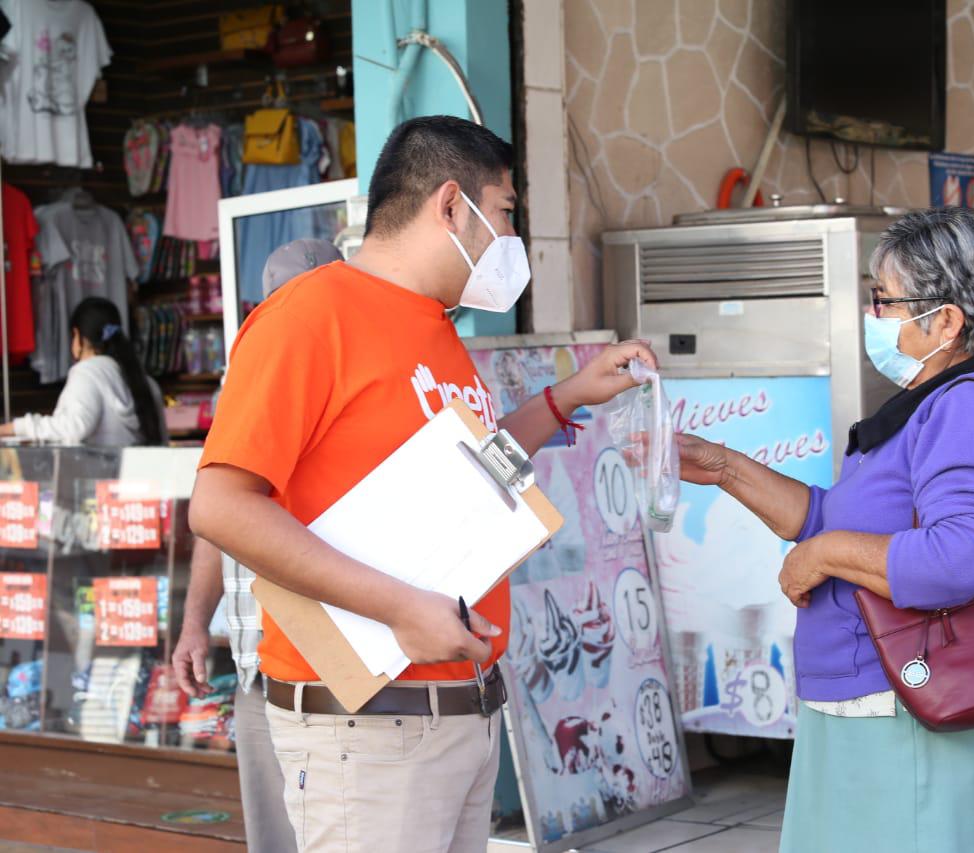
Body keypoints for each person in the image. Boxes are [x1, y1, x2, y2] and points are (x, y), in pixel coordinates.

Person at [187, 115, 656, 853]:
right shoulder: (309, 317)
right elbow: (218, 504)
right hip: (369, 724)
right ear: (449, 206)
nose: (510, 240)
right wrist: (402, 609)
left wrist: (565, 398)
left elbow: (476, 472)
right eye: (504, 213)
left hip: (460, 713)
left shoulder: (437, 331)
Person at [678, 207, 974, 852]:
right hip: (869, 701)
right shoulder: (925, 404)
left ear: (946, 320)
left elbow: (962, 557)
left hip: (911, 708)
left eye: (884, 300)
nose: (873, 315)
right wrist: (722, 467)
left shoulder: (966, 408)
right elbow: (827, 518)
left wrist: (828, 554)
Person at [171, 238, 343, 853]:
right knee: (274, 840)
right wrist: (196, 624)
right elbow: (220, 516)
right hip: (255, 667)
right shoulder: (246, 378)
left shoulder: (355, 379)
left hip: (338, 669)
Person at [0, 296, 165, 446]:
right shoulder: (148, 383)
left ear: (78, 336)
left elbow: (73, 427)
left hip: (102, 476)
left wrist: (17, 427)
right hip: (143, 477)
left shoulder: (87, 373)